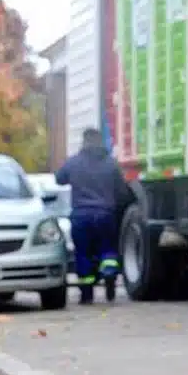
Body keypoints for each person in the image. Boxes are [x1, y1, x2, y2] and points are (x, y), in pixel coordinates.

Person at [55, 129, 134, 304]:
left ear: (84, 142)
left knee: (82, 254)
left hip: (81, 216)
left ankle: (86, 294)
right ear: (100, 142)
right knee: (108, 251)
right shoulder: (111, 164)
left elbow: (59, 179)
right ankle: (110, 282)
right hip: (105, 215)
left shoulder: (74, 163)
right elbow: (122, 192)